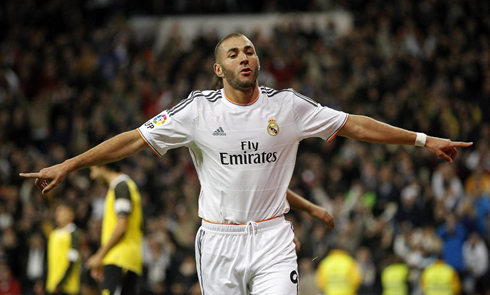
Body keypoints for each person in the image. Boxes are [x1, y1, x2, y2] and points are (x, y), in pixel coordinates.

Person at [20, 32, 472, 294]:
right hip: (218, 242)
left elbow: (354, 125)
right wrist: (70, 164)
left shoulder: (288, 107)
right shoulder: (196, 112)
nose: (244, 57)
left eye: (249, 51)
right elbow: (133, 141)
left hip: (274, 238)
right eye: (233, 53)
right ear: (219, 70)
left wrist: (423, 139)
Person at [85, 163, 143, 295]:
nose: (92, 176)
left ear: (103, 166)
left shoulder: (121, 186)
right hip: (125, 259)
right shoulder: (122, 187)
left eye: (93, 170)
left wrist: (100, 255)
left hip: (120, 258)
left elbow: (122, 225)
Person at [46, 203, 81, 295]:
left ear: (71, 214)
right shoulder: (53, 234)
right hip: (52, 285)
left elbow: (73, 260)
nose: (58, 214)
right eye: (57, 211)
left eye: (62, 211)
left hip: (67, 288)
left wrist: (61, 283)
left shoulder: (73, 234)